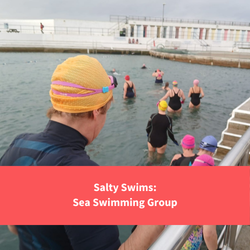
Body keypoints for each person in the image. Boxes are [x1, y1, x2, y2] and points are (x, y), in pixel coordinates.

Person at [1, 55, 164, 250]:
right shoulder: (82, 175)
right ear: (96, 111)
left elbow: (14, 227)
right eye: (107, 111)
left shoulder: (18, 145)